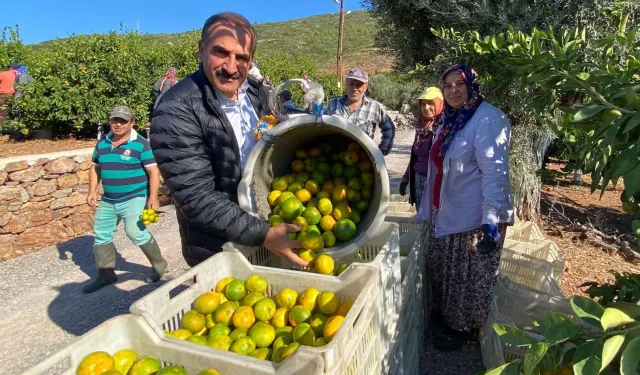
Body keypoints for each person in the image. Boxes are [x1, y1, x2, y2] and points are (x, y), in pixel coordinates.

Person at [150, 12, 308, 268]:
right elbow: (196, 198)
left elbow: (281, 135)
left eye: (242, 57)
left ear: (251, 60)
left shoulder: (256, 93)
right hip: (219, 248)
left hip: (270, 228)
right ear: (202, 50)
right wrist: (264, 234)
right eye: (221, 52)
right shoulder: (176, 109)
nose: (231, 67)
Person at [416, 64, 514, 351]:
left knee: (467, 278)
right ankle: (449, 320)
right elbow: (437, 169)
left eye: (459, 83)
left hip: (475, 216)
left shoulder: (487, 119)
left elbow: (495, 174)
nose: (453, 90)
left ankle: (463, 330)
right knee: (447, 272)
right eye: (447, 85)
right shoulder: (450, 120)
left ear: (472, 85)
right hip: (447, 209)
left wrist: (490, 221)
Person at [83, 105, 167, 293]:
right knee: (101, 234)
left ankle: (159, 264)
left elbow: (153, 171)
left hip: (134, 196)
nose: (118, 124)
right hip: (109, 199)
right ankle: (106, 274)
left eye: (123, 121)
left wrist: (153, 197)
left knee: (134, 231)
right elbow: (95, 168)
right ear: (110, 121)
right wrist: (91, 191)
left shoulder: (141, 144)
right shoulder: (103, 144)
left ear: (131, 123)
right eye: (115, 120)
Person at [324, 68, 395, 155]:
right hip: (335, 157)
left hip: (363, 160)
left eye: (359, 85)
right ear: (346, 84)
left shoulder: (374, 107)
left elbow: (389, 128)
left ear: (366, 87)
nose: (354, 88)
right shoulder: (333, 104)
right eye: (351, 84)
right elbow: (321, 127)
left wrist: (381, 151)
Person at [399, 87, 443, 207]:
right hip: (419, 180)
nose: (426, 108)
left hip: (435, 183)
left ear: (439, 103)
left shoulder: (443, 128)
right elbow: (415, 156)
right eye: (423, 104)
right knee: (423, 219)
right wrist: (406, 178)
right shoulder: (421, 127)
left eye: (430, 103)